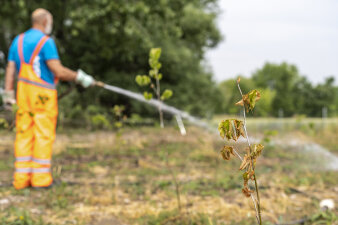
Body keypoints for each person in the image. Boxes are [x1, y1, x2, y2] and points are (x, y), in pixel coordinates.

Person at [2, 8, 95, 189]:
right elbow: (58, 70)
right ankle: (40, 180)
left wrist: (8, 96)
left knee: (24, 134)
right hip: (42, 94)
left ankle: (21, 180)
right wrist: (79, 77)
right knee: (43, 135)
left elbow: (10, 71)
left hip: (23, 94)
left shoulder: (18, 41)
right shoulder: (46, 42)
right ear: (45, 21)